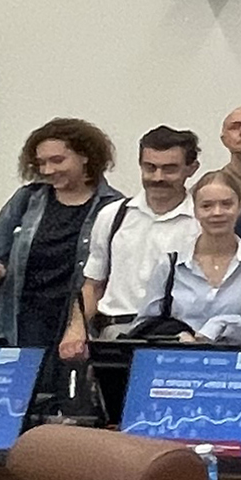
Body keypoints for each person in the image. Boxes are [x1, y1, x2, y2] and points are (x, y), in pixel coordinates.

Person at [134, 171, 241, 348]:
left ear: (240, 208)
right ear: (195, 211)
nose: (217, 212)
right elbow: (144, 324)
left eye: (226, 204)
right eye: (207, 206)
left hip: (240, 362)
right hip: (178, 359)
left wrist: (225, 326)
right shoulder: (170, 264)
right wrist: (176, 335)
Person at [81, 126, 201, 338]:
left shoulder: (201, 222)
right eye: (150, 167)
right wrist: (76, 330)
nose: (158, 177)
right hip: (114, 332)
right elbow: (93, 285)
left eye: (170, 169)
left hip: (175, 335)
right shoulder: (112, 215)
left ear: (192, 168)